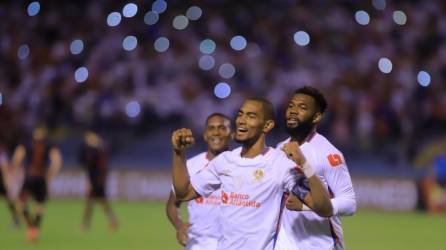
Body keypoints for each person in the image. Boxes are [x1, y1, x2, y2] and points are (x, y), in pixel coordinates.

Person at [171, 98, 333, 250]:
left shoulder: (280, 165)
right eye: (240, 114)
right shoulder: (225, 161)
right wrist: (179, 153)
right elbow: (184, 193)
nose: (241, 120)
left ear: (267, 126)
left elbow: (324, 209)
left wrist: (305, 165)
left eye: (251, 116)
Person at [274, 86, 356, 250]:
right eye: (291, 106)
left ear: (316, 117)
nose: (293, 111)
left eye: (302, 107)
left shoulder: (328, 154)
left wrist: (307, 205)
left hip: (321, 244)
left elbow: (349, 203)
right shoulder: (280, 148)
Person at [166, 113, 232, 249]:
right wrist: (179, 225)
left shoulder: (241, 165)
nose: (216, 132)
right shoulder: (190, 165)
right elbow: (172, 204)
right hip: (198, 243)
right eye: (211, 128)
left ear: (231, 134)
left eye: (222, 128)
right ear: (205, 135)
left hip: (231, 242)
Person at [12, 126, 62, 242]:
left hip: (30, 176)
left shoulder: (26, 143)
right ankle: (35, 231)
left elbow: (17, 158)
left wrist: (16, 171)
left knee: (21, 203)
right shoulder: (49, 144)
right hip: (41, 177)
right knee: (39, 206)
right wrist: (50, 174)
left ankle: (31, 227)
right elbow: (57, 161)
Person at [79, 130, 118, 230]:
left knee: (92, 202)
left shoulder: (95, 153)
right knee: (100, 201)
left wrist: (91, 183)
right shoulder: (99, 151)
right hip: (98, 181)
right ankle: (112, 219)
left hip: (96, 181)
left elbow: (91, 168)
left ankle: (86, 224)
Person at [413, 135, 446, 213]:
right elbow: (429, 173)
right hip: (438, 186)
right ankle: (432, 208)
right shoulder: (439, 158)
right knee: (426, 181)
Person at [0, 143, 20, 228]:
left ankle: (16, 220)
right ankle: (16, 220)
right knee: (9, 200)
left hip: (1, 181)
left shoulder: (2, 155)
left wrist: (7, 181)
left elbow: (4, 168)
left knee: (10, 200)